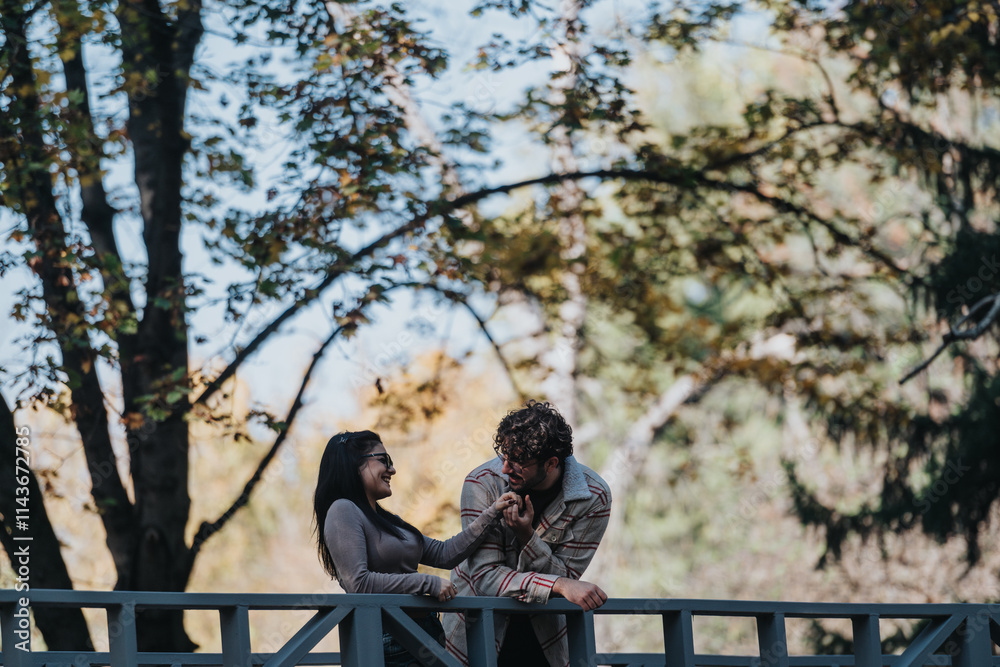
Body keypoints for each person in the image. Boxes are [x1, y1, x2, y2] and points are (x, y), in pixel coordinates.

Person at [314, 430, 519, 667]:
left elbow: (445, 554)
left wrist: (492, 513)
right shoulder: (342, 510)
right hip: (388, 640)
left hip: (425, 632)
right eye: (384, 460)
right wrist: (427, 583)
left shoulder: (387, 521)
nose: (392, 470)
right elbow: (358, 584)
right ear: (354, 463)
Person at [443, 400, 612, 667]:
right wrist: (557, 585)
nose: (505, 469)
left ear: (551, 463)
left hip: (546, 638)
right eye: (505, 456)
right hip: (476, 634)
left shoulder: (594, 497)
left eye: (519, 461)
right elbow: (486, 577)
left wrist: (526, 538)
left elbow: (568, 576)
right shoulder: (482, 483)